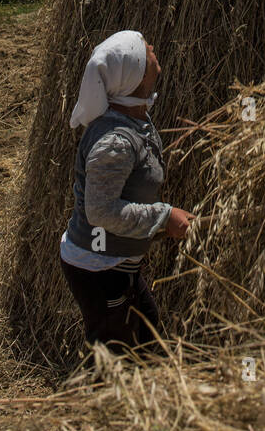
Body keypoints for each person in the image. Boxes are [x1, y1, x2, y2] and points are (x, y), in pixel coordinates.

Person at [59, 30, 195, 357]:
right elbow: (102, 213)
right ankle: (98, 403)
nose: (151, 46)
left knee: (146, 335)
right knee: (114, 355)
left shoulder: (134, 118)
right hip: (97, 267)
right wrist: (163, 216)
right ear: (134, 77)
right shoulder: (115, 142)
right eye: (143, 49)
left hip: (115, 263)